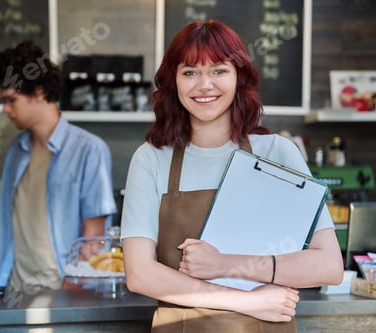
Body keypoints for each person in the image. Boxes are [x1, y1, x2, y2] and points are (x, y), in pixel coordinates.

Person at [120, 20, 343, 332]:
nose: (204, 84)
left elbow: (329, 266)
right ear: (174, 82)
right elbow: (140, 274)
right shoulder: (152, 158)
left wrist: (225, 264)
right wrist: (247, 301)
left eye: (219, 70)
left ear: (239, 76)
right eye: (190, 72)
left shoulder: (278, 153)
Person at [0, 40, 117, 293]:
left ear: (40, 92)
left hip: (62, 293)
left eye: (11, 100)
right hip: (13, 291)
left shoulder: (88, 149)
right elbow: (25, 219)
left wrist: (70, 294)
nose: (5, 109)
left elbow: (95, 237)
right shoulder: (17, 150)